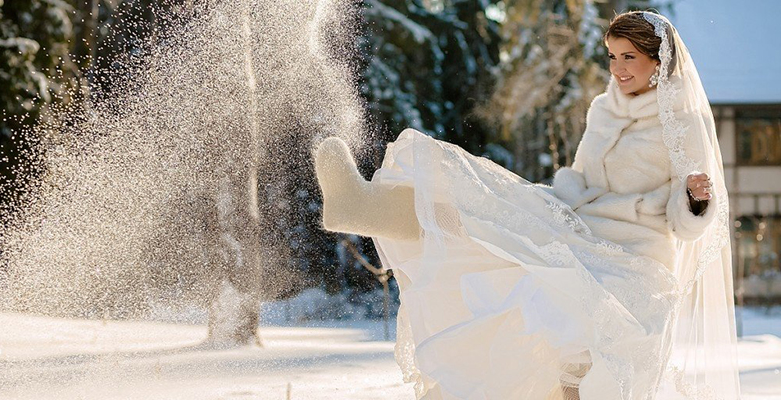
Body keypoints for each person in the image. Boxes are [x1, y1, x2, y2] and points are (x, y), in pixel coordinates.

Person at [314, 11, 740, 400]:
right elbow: (584, 177)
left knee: (571, 331)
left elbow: (688, 225)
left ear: (659, 60)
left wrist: (695, 201)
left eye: (629, 57)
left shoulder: (682, 123)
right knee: (491, 211)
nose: (617, 68)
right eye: (611, 56)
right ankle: (365, 206)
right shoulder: (602, 110)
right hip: (581, 227)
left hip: (634, 257)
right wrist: (550, 202)